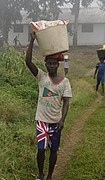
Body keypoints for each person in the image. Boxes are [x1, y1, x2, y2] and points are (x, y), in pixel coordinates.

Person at [25, 32, 72, 180]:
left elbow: (66, 103)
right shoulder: (41, 76)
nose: (51, 66)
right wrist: (32, 41)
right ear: (45, 64)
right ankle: (40, 174)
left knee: (53, 151)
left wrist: (62, 120)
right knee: (40, 150)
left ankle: (50, 176)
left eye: (54, 63)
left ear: (57, 65)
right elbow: (28, 62)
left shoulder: (65, 82)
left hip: (56, 122)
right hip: (41, 121)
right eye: (49, 63)